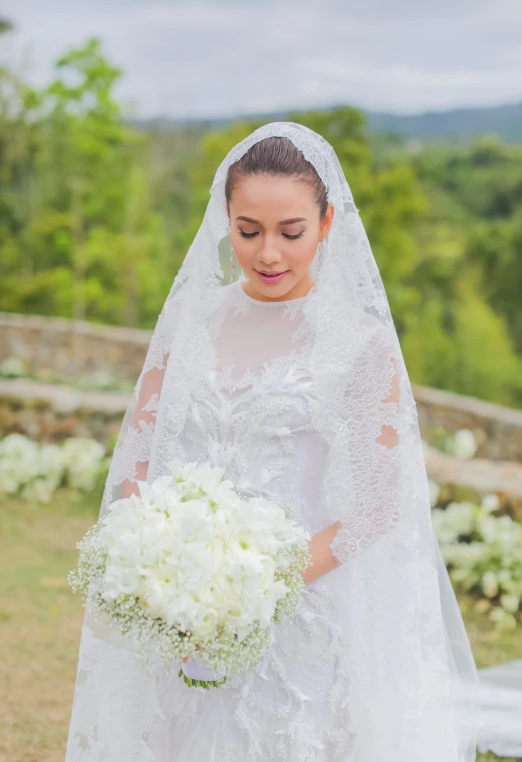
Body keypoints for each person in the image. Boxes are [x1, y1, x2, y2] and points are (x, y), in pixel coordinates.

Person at [65, 122, 519, 761]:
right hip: (183, 611)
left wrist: (255, 589)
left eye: (290, 232)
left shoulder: (357, 343)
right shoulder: (191, 322)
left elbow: (379, 505)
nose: (268, 253)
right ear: (227, 219)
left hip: (303, 612)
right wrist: (165, 575)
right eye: (248, 231)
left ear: (327, 223)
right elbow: (142, 456)